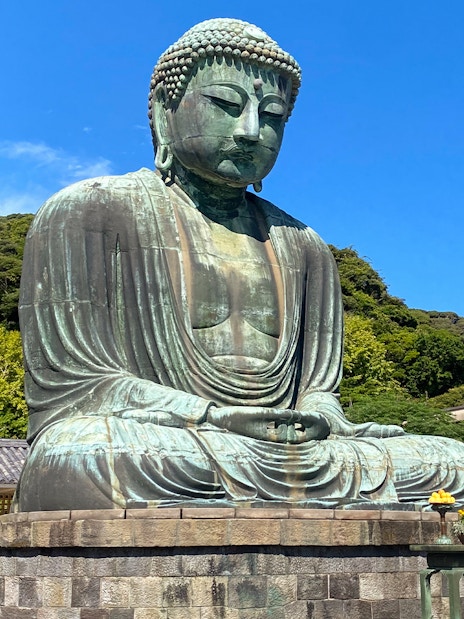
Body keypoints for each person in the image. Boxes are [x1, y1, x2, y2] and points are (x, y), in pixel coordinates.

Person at [15, 18, 464, 511]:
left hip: (286, 450)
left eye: (272, 116)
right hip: (167, 440)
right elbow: (79, 386)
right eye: (227, 106)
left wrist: (318, 415)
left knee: (451, 463)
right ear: (166, 114)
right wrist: (212, 415)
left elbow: (316, 389)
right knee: (80, 454)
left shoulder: (306, 246)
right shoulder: (89, 212)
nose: (251, 131)